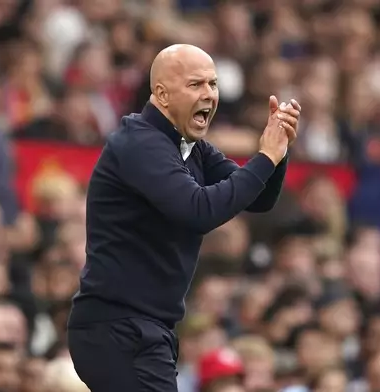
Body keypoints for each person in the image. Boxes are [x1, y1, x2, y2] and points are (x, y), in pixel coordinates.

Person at [67, 44, 300, 392]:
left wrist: (277, 151)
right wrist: (264, 156)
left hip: (147, 329)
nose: (209, 94)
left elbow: (260, 198)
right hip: (117, 329)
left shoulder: (190, 146)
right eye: (196, 85)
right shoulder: (140, 143)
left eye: (213, 84)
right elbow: (198, 211)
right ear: (161, 93)